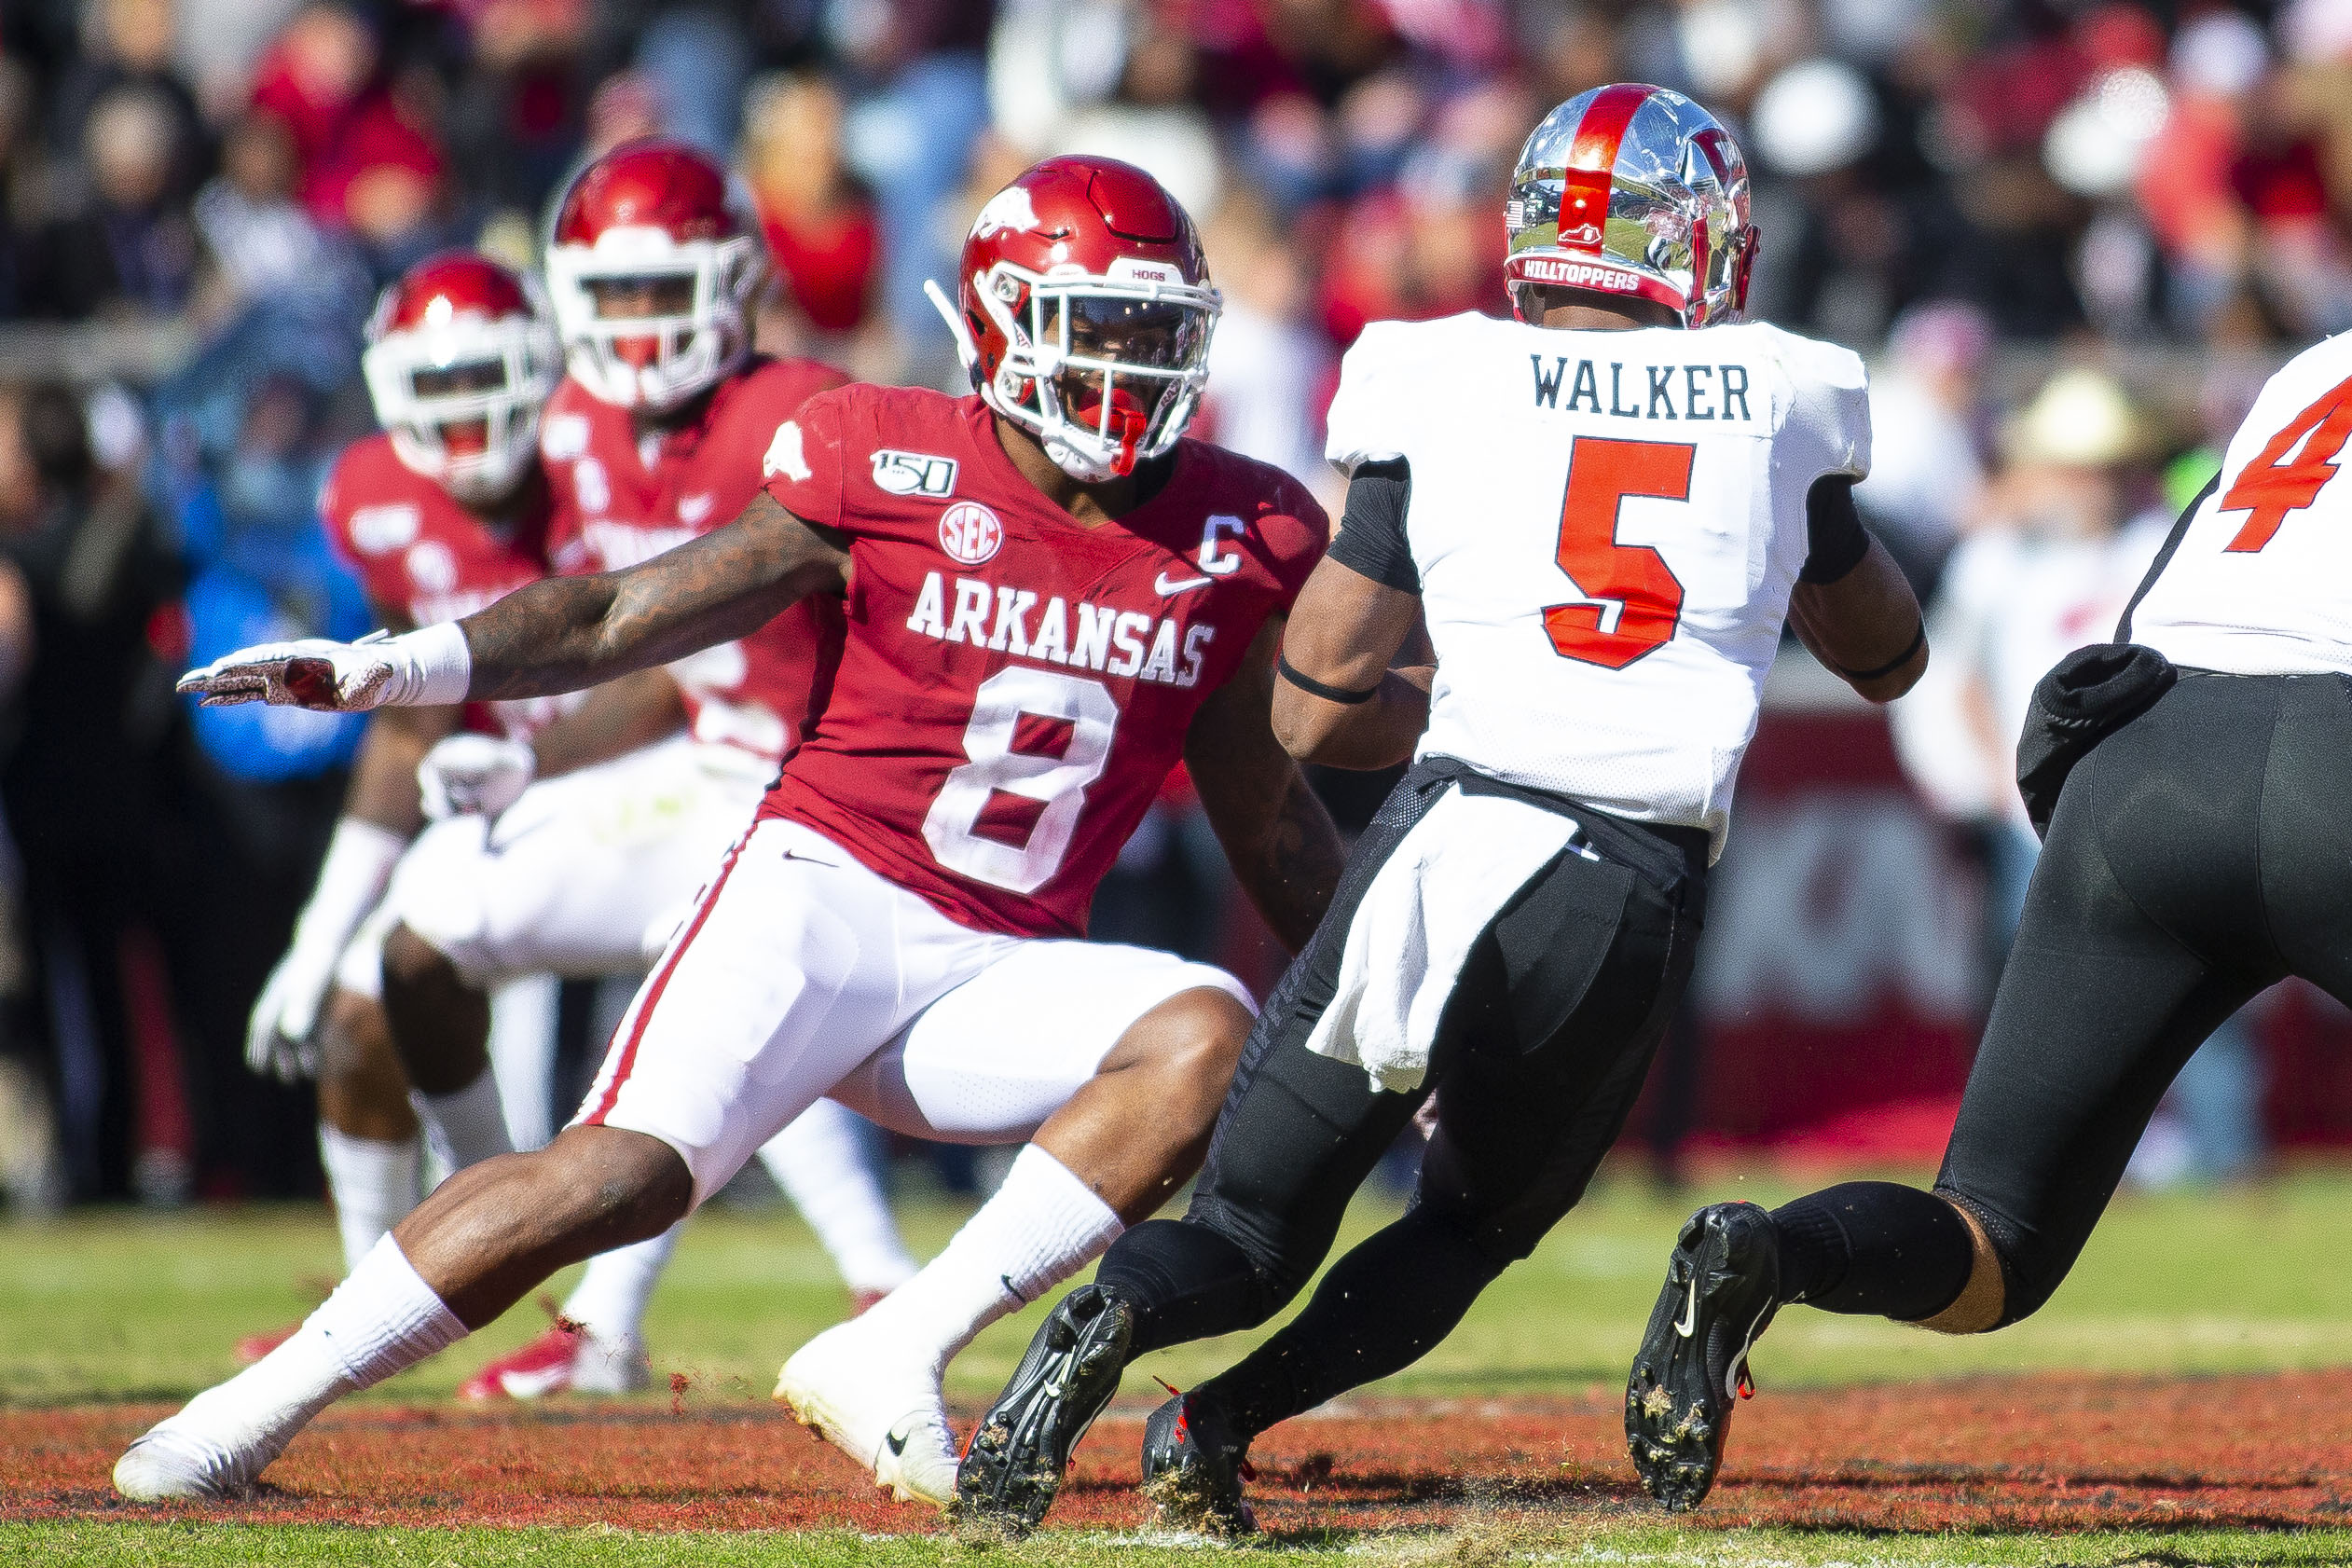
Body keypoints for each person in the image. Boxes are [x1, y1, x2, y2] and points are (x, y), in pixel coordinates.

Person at [121, 153, 1345, 1511]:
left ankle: (895, 1344)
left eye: (1152, 335)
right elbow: (615, 614)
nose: (1125, 373)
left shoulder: (1246, 526)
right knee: (619, 1177)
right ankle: (243, 1411)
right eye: (1093, 331)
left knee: (1200, 1023)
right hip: (820, 893)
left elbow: (1263, 804)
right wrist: (393, 669)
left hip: (999, 962)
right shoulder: (879, 450)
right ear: (999, 328)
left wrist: (1393, 1002)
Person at [949, 83, 1932, 1537]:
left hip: (1440, 835)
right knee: (1474, 1222)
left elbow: (1316, 690)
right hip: (1621, 869)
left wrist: (1457, 662)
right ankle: (1214, 1424)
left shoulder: (1435, 369)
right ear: (1692, 240)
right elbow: (1885, 656)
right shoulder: (1787, 387)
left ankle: (1082, 1344)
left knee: (1238, 1221)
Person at [1623, 311, 2352, 1515]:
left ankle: (1774, 1250)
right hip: (2331, 752)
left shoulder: (2311, 363)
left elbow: (2173, 577)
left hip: (2148, 752)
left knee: (1989, 1241)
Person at [342, 142, 918, 1399]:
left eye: (664, 292)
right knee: (424, 927)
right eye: (615, 294)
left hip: (828, 790)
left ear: (731, 283)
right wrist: (521, 754)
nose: (640, 325)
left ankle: (731, 1300)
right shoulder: (567, 427)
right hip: (707, 767)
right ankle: (498, 1222)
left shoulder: (808, 415)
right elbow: (642, 653)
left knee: (716, 967)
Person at [243, 249, 567, 1288]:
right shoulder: (373, 495)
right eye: (437, 386)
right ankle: (373, 1291)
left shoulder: (595, 459)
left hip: (648, 783)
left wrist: (536, 755)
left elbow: (687, 679)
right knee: (355, 1011)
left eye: (484, 380)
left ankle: (565, 1300)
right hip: (483, 799)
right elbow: (405, 729)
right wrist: (317, 931)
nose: (466, 414)